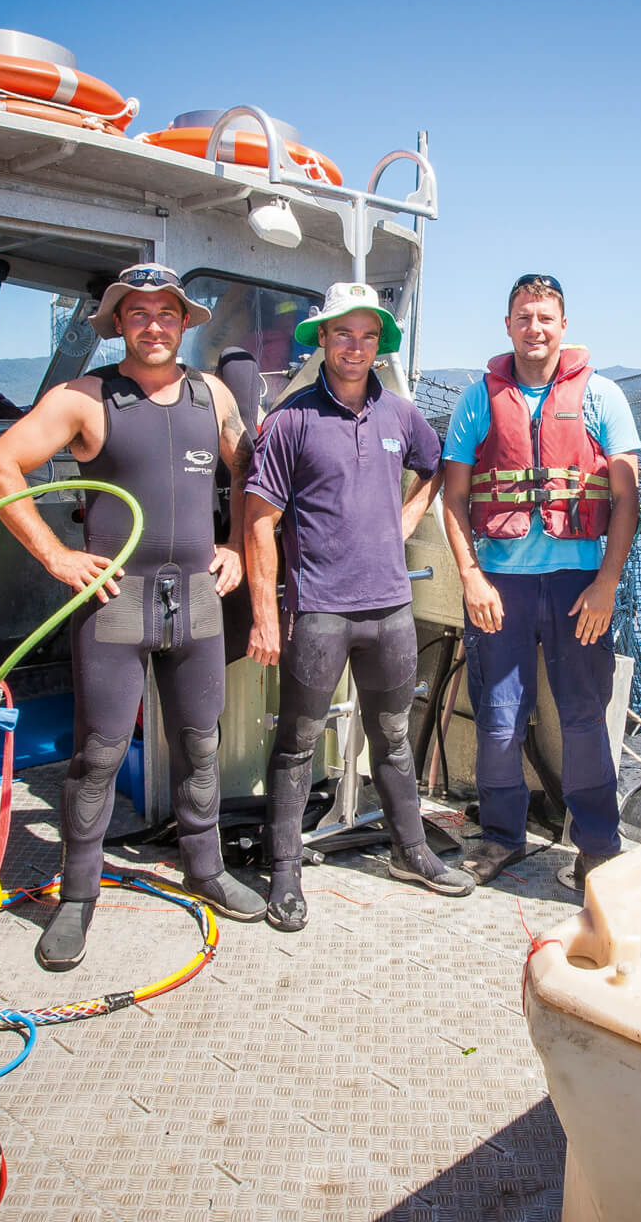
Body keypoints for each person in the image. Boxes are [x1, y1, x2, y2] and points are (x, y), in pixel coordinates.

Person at [0, 263, 268, 971]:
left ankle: (205, 867)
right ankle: (77, 896)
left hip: (196, 596)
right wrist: (56, 556)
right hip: (115, 600)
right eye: (138, 313)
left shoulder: (213, 395)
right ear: (119, 324)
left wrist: (235, 544)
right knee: (100, 753)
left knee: (201, 743)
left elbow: (248, 468)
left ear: (184, 322)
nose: (154, 325)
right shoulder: (85, 397)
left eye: (166, 313)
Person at [244, 281, 474, 931]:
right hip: (318, 611)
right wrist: (265, 616)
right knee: (297, 743)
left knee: (393, 736)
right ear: (321, 338)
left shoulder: (400, 414)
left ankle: (410, 851)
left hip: (391, 608)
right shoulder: (289, 420)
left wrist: (408, 516)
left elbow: (435, 465)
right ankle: (284, 872)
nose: (355, 346)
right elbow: (258, 522)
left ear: (379, 345)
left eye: (368, 335)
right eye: (343, 333)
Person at [438, 274, 641, 893]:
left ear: (563, 325)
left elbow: (627, 499)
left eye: (545, 317)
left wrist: (607, 582)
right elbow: (454, 498)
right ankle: (501, 837)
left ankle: (597, 846)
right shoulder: (478, 400)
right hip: (501, 585)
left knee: (583, 715)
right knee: (499, 717)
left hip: (579, 583)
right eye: (524, 317)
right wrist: (471, 577)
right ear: (508, 325)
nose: (535, 328)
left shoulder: (602, 396)